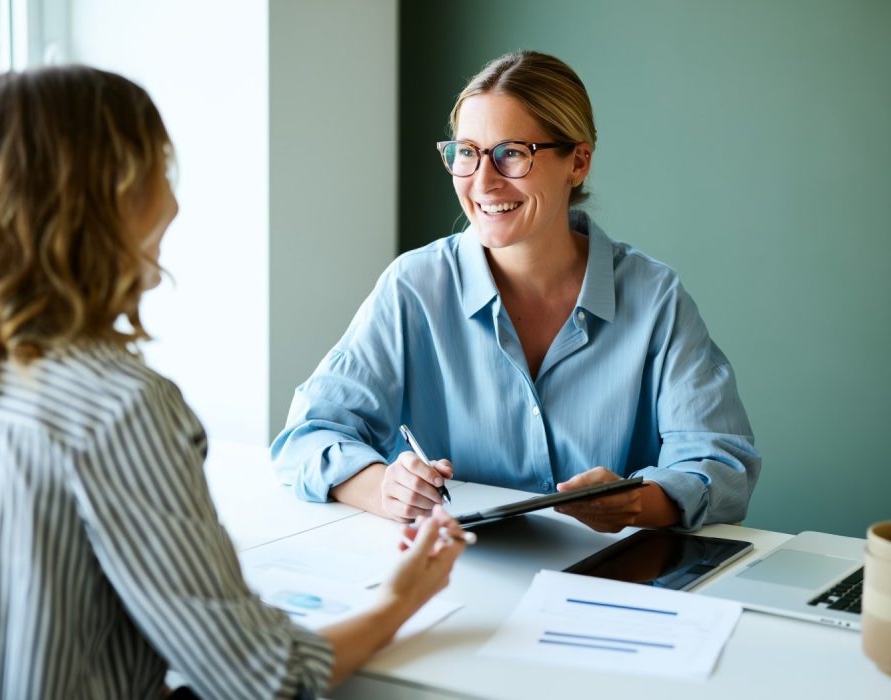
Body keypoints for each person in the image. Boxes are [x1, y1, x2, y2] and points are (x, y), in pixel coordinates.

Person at [0, 65, 466, 700]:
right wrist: (402, 598)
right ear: (102, 202)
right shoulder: (120, 407)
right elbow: (266, 677)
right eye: (159, 173)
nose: (174, 203)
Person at [272, 50, 761, 533]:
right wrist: (385, 488)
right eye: (466, 152)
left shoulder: (654, 298)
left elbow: (720, 464)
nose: (482, 182)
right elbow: (307, 437)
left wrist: (634, 503)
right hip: (452, 578)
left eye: (511, 153)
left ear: (579, 161)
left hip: (613, 582)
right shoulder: (414, 287)